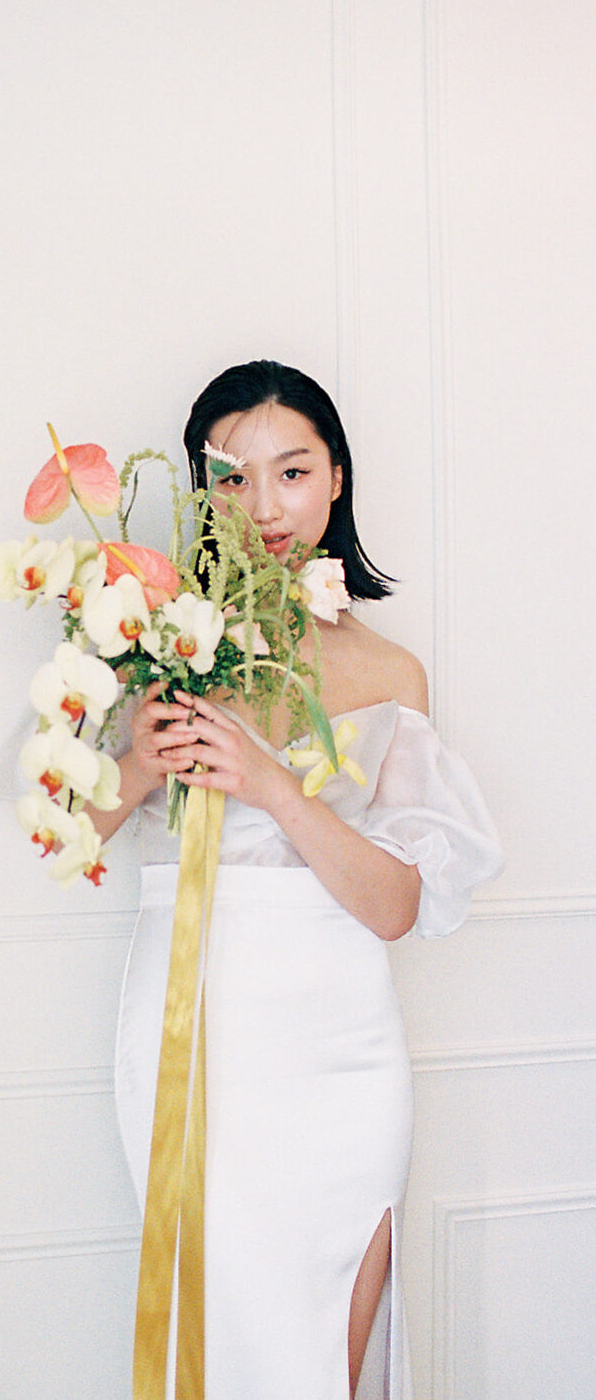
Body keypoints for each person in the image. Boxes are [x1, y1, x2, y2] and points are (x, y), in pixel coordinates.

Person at [91, 360, 503, 1399]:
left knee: (327, 1353)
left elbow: (395, 902)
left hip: (340, 1054)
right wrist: (141, 752)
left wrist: (276, 789)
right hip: (196, 1030)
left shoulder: (386, 671)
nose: (265, 505)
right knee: (213, 1325)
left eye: (292, 470)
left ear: (333, 480)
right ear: (200, 493)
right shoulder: (159, 645)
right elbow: (68, 833)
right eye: (231, 478)